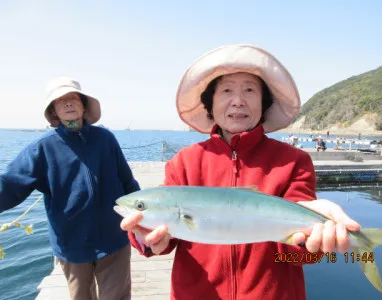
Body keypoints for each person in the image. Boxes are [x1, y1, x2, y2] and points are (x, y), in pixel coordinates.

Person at [120, 45, 360, 299]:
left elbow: (296, 255)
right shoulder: (184, 162)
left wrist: (311, 243)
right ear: (210, 103)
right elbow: (168, 239)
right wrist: (147, 238)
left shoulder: (293, 161)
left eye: (249, 90)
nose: (238, 100)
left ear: (264, 103)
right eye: (226, 90)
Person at [0, 77, 140, 300]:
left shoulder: (106, 139)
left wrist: (143, 217)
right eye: (60, 100)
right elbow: (10, 183)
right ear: (53, 111)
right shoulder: (42, 147)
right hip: (72, 244)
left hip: (114, 238)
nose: (67, 103)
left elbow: (128, 182)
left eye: (73, 98)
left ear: (84, 105)